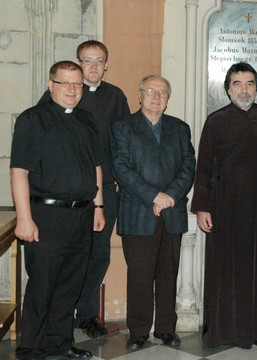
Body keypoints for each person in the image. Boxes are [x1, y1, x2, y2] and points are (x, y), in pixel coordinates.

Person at [12, 61, 105, 360]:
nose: (72, 89)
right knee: (43, 285)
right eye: (64, 83)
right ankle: (31, 349)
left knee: (70, 284)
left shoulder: (87, 120)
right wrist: (25, 218)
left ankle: (59, 342)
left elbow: (96, 167)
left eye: (77, 84)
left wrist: (98, 207)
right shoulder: (31, 120)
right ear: (50, 85)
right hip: (46, 216)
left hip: (82, 213)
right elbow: (18, 171)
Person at [191, 62, 257, 349]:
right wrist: (203, 206)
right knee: (228, 268)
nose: (244, 90)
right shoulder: (215, 120)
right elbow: (204, 166)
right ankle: (227, 329)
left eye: (250, 84)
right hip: (225, 207)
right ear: (227, 88)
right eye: (237, 84)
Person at [38, 40, 129, 338]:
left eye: (99, 60)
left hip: (105, 190)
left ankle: (87, 315)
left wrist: (118, 176)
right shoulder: (59, 95)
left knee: (99, 254)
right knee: (67, 256)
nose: (93, 66)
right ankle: (56, 317)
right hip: (67, 193)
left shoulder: (116, 96)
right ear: (77, 62)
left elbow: (123, 140)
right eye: (87, 61)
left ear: (106, 64)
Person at [111, 75, 195, 350]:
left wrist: (170, 196)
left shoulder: (180, 129)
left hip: (172, 213)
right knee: (140, 275)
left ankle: (166, 329)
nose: (156, 96)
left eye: (162, 92)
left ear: (168, 99)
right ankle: (138, 331)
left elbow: (188, 167)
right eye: (150, 91)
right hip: (138, 212)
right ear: (139, 95)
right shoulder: (123, 127)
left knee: (169, 274)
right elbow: (121, 168)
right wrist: (153, 196)